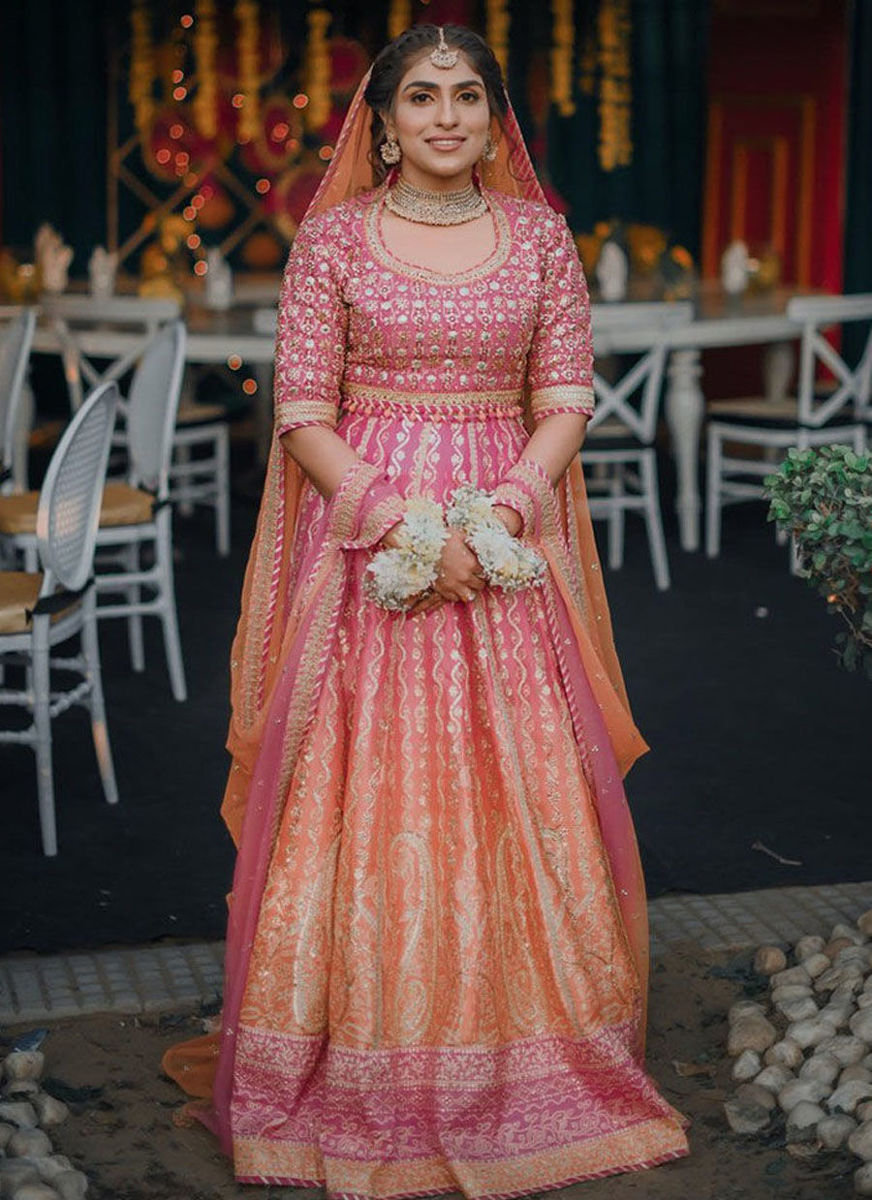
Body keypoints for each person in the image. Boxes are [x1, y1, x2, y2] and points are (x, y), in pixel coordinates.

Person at [163, 23, 689, 1198]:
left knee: (525, 783)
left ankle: (536, 1052)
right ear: (384, 120)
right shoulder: (334, 239)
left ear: (493, 116)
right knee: (368, 785)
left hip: (507, 531)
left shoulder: (543, 238)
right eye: (419, 97)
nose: (443, 116)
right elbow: (301, 408)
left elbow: (563, 396)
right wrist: (403, 525)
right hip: (368, 536)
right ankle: (355, 1064)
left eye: (463, 96)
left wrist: (500, 513)